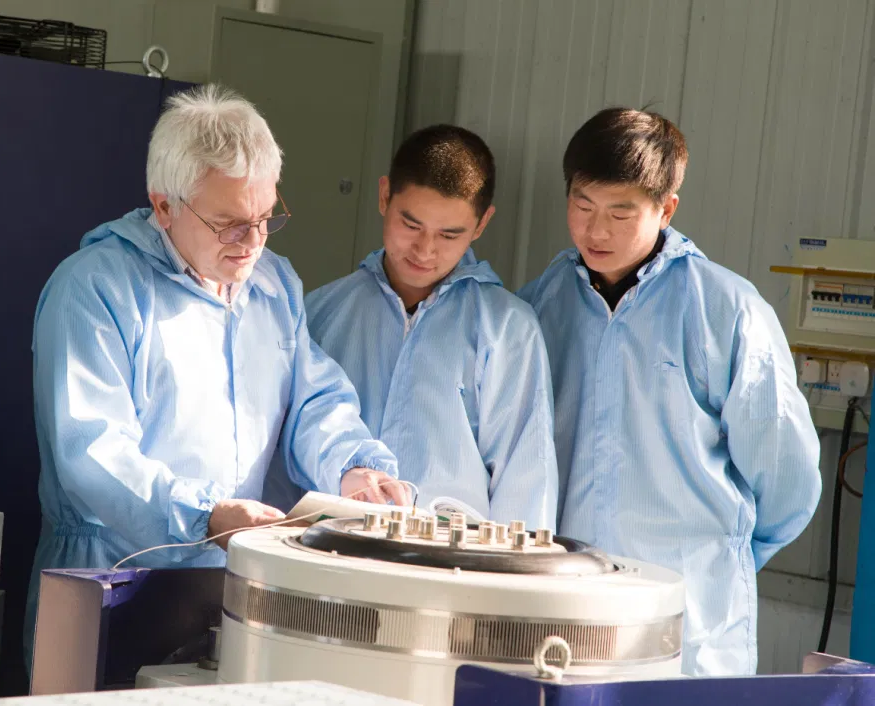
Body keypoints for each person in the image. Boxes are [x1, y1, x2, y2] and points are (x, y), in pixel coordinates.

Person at [24, 84, 409, 666]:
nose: (252, 243)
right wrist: (202, 516)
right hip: (113, 576)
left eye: (265, 217)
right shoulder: (96, 289)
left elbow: (312, 399)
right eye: (229, 223)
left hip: (230, 581)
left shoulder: (272, 285)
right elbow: (92, 451)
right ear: (164, 207)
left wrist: (354, 466)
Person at [517, 107, 821, 676]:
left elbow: (788, 483)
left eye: (620, 212)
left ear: (666, 208)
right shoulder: (538, 305)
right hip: (565, 615)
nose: (596, 230)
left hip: (689, 624)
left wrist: (715, 564)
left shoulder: (726, 312)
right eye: (581, 206)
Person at [264, 124, 557, 528]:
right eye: (411, 224)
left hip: (450, 572)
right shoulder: (320, 312)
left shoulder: (508, 329)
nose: (424, 250)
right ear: (385, 196)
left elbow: (526, 479)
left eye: (449, 235)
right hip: (331, 560)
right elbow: (284, 454)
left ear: (482, 224)